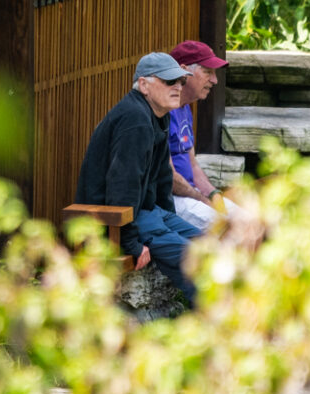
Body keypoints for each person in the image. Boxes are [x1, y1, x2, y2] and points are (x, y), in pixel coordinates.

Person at [74, 52, 206, 310]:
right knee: (196, 261)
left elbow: (161, 176)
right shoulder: (134, 120)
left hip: (147, 211)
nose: (178, 87)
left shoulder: (158, 114)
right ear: (144, 85)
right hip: (116, 218)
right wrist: (131, 242)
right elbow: (122, 186)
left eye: (180, 81)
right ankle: (211, 322)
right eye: (170, 82)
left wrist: (170, 219)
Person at [165, 39, 229, 231]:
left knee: (251, 223)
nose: (215, 80)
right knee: (229, 228)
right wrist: (202, 199)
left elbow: (192, 165)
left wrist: (213, 194)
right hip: (173, 199)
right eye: (208, 72)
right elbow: (168, 176)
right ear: (185, 71)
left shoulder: (185, 109)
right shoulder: (163, 111)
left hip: (193, 194)